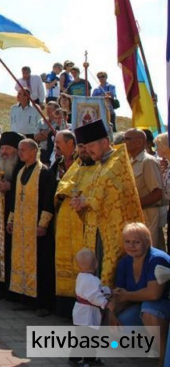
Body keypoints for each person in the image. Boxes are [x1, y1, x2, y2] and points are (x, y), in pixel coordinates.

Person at [71, 120, 144, 286]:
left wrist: (86, 201)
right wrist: (80, 204)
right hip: (97, 227)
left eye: (91, 146)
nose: (88, 151)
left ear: (104, 142)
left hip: (113, 230)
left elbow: (109, 193)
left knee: (109, 270)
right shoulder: (100, 165)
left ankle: (110, 308)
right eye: (85, 147)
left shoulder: (117, 163)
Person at [6, 138, 56, 316]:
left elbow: (48, 200)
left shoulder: (45, 173)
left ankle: (43, 303)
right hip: (21, 226)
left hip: (36, 227)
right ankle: (25, 298)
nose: (20, 153)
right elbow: (14, 199)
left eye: (23, 150)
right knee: (22, 260)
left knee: (40, 263)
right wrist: (10, 220)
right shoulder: (20, 172)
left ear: (34, 151)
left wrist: (43, 223)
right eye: (19, 150)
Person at [108, 223, 170, 364]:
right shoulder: (125, 262)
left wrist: (127, 296)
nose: (131, 246)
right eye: (127, 242)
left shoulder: (157, 259)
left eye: (136, 242)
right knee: (119, 326)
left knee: (149, 310)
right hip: (139, 306)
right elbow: (119, 294)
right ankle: (150, 347)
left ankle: (162, 358)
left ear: (147, 241)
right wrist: (112, 314)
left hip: (162, 305)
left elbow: (154, 294)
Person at [0, 131, 25, 296]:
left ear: (16, 151)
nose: (4, 152)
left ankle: (10, 289)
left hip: (15, 220)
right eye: (2, 148)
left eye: (8, 149)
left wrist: (10, 187)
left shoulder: (23, 169)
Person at [125, 128, 166, 251]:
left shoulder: (148, 162)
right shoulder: (131, 162)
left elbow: (157, 192)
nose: (124, 142)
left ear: (139, 142)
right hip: (137, 216)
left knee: (147, 251)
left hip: (148, 215)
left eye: (128, 139)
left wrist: (134, 205)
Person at [71, 248, 111, 367]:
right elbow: (94, 296)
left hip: (83, 312)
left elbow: (98, 290)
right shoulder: (91, 280)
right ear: (96, 263)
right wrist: (106, 303)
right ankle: (77, 359)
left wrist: (109, 291)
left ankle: (90, 358)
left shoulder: (81, 276)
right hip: (86, 314)